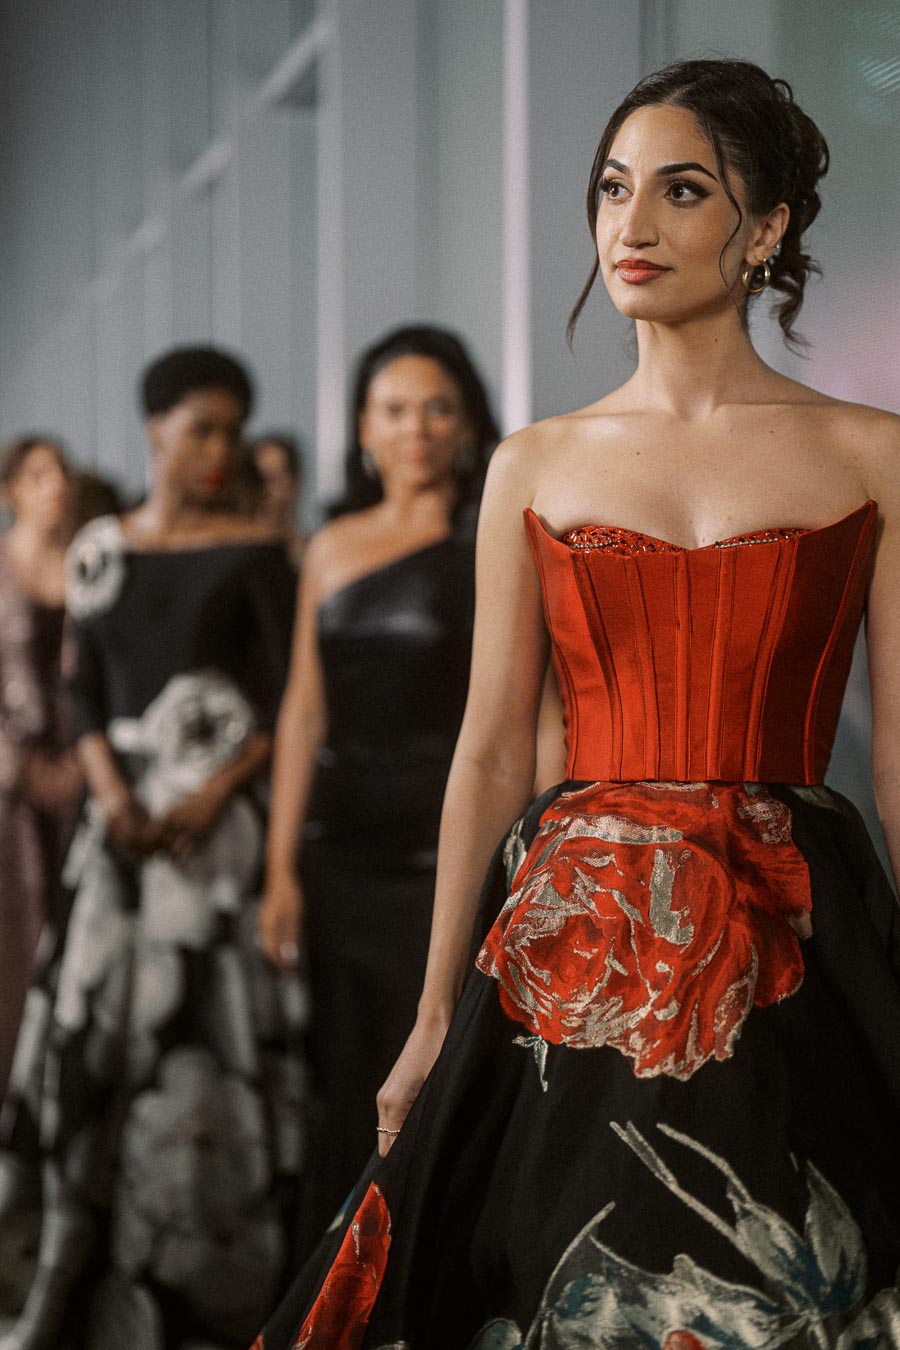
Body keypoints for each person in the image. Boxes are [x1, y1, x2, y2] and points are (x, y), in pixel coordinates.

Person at [255, 59, 900, 1348]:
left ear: (765, 229)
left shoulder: (870, 452)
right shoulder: (533, 463)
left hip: (798, 938)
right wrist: (436, 1014)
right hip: (571, 945)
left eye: (681, 191)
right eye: (612, 191)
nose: (632, 227)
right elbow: (492, 751)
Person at [0, 347, 301, 1349]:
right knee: (97, 1034)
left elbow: (286, 699)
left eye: (231, 430)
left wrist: (216, 790)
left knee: (206, 1037)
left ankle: (204, 1277)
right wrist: (111, 791)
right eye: (201, 427)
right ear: (155, 428)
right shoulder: (102, 549)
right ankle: (84, 1269)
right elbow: (85, 688)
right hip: (115, 830)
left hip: (217, 837)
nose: (218, 449)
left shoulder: (259, 551)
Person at [258, 326, 499, 1256]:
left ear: (469, 422)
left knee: (443, 1072)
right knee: (347, 1073)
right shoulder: (329, 546)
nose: (417, 429)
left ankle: (436, 1274)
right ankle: (346, 1281)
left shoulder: (490, 538)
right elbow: (302, 717)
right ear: (363, 426)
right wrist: (281, 868)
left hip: (450, 849)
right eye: (395, 409)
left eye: (438, 408)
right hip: (343, 855)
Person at [0, 438, 82, 1100]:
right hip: (11, 789)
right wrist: (21, 769)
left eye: (59, 471)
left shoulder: (89, 565)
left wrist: (84, 761)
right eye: (36, 473)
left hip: (84, 776)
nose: (53, 484)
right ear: (11, 490)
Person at [248, 434, 307, 565]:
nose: (265, 491)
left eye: (273, 479)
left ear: (294, 483)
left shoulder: (314, 555)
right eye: (256, 481)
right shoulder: (238, 555)